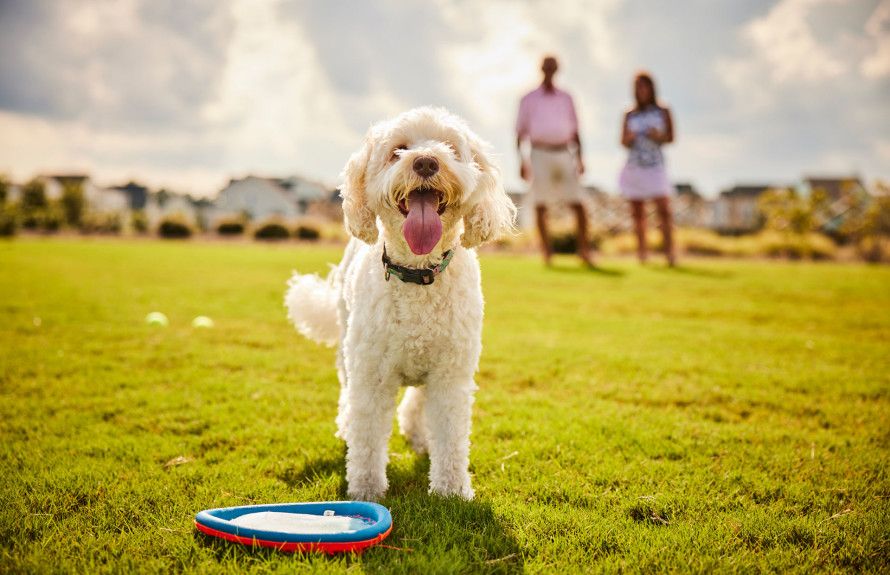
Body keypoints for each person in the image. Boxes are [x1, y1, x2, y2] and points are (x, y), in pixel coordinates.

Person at [516, 56, 592, 267]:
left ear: (557, 69)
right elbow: (520, 133)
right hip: (539, 153)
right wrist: (521, 161)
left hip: (565, 152)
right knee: (541, 203)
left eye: (553, 67)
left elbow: (576, 131)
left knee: (578, 202)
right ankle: (546, 253)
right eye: (546, 67)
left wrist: (580, 158)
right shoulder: (528, 99)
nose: (549, 70)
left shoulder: (567, 97)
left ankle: (585, 251)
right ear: (542, 69)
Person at [619, 71, 676, 266]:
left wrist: (657, 135)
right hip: (635, 165)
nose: (641, 90)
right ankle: (642, 253)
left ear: (651, 88)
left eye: (644, 86)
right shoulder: (629, 113)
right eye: (637, 87)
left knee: (663, 210)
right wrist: (630, 138)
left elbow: (671, 137)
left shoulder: (663, 110)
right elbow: (622, 141)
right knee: (638, 213)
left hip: (655, 165)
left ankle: (669, 253)